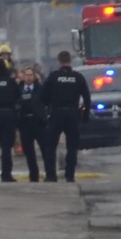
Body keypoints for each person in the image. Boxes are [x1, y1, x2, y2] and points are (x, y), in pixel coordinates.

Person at [37, 52, 92, 182]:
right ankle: (70, 175)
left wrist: (49, 105)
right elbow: (87, 98)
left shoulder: (53, 77)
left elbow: (43, 96)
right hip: (72, 113)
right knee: (72, 146)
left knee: (51, 146)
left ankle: (51, 175)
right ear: (70, 61)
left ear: (59, 62)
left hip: (56, 113)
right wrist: (85, 115)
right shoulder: (78, 77)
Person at [16, 65, 47, 182]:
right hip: (25, 123)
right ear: (23, 77)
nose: (28, 77)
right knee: (29, 152)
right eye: (26, 75)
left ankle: (49, 173)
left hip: (38, 123)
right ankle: (34, 176)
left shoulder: (40, 88)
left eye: (30, 75)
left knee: (45, 150)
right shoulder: (18, 89)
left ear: (34, 77)